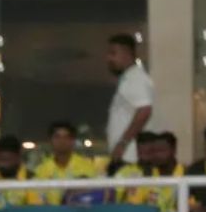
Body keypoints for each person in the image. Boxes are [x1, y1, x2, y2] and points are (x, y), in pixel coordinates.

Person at [105, 32, 155, 172]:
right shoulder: (128, 80)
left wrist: (123, 143)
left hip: (131, 158)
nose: (109, 58)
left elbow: (145, 110)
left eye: (113, 53)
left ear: (127, 53)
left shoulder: (136, 79)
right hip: (125, 157)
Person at [32, 120, 99, 198]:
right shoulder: (41, 170)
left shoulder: (86, 167)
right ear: (50, 141)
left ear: (73, 141)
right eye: (57, 137)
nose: (62, 141)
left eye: (66, 137)